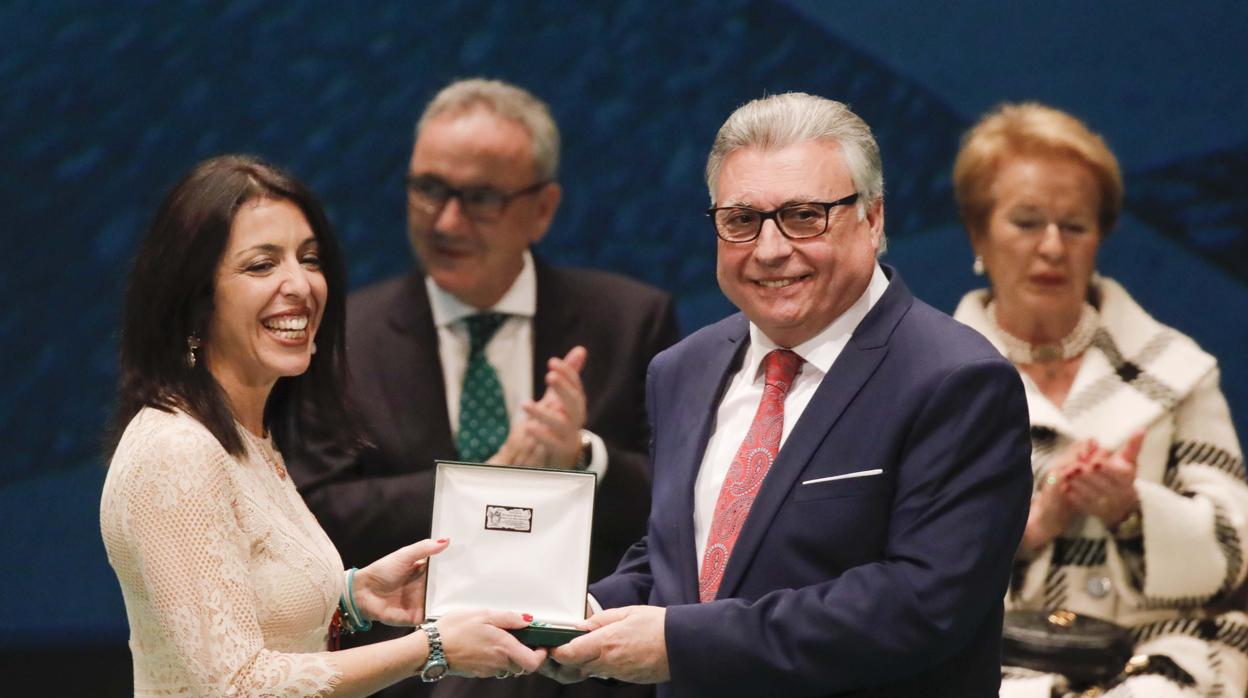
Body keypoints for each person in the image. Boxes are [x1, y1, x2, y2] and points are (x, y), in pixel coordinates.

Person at [541, 92, 1034, 697]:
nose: (770, 250)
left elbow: (921, 604)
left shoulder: (958, 381)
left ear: (873, 219)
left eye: (804, 216)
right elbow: (684, 556)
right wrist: (579, 613)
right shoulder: (681, 369)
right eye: (741, 221)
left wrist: (680, 644)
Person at [282, 79, 677, 698]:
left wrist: (582, 459)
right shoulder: (341, 337)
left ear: (542, 209)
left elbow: (682, 509)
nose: (446, 220)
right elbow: (311, 513)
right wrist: (484, 482)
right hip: (406, 675)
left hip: (580, 675)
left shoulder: (628, 321)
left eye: (481, 198)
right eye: (429, 189)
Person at [100, 155, 545, 696]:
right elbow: (236, 685)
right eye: (261, 265)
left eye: (309, 259)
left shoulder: (246, 437)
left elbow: (256, 614)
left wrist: (353, 598)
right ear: (195, 300)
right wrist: (432, 647)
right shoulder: (177, 450)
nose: (301, 284)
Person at [950, 102, 1248, 697]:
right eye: (1027, 222)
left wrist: (1132, 511)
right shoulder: (930, 381)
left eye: (1075, 226)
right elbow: (895, 573)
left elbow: (1233, 552)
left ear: (1100, 238)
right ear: (979, 234)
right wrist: (1025, 531)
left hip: (1160, 651)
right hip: (992, 657)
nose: (1052, 247)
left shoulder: (1176, 370)